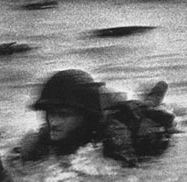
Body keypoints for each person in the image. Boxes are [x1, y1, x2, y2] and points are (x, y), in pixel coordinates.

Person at [9, 69, 176, 167]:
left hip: (138, 122)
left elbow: (129, 176)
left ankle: (155, 94)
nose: (53, 122)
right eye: (51, 113)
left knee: (147, 106)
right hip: (102, 107)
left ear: (85, 116)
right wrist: (19, 155)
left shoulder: (114, 134)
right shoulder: (50, 133)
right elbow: (14, 161)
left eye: (64, 115)